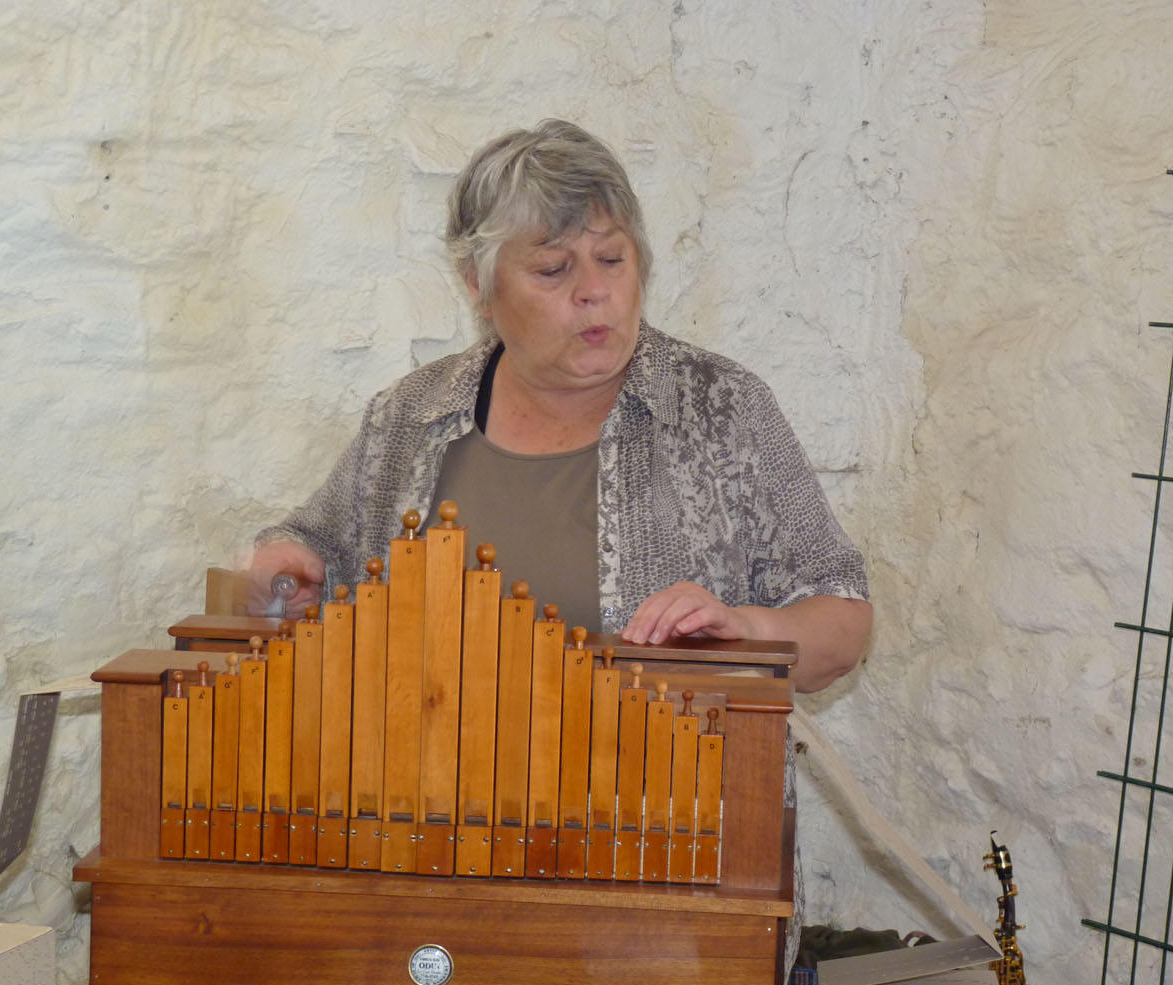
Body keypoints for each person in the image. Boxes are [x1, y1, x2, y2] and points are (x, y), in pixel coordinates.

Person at [249, 118, 871, 693]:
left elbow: (843, 618)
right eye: (553, 269)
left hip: (664, 807)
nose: (595, 291)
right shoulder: (410, 417)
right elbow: (313, 551)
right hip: (431, 804)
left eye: (611, 259)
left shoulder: (719, 409)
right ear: (478, 284)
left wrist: (749, 631)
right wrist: (288, 571)